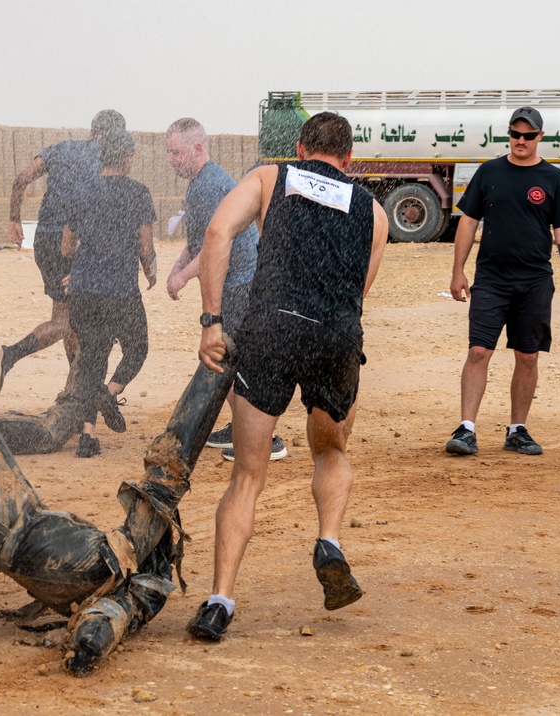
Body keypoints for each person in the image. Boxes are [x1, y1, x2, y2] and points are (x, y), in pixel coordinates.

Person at [0, 344, 238, 673]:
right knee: (143, 530)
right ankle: (100, 626)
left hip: (58, 564)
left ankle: (217, 368)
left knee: (152, 507)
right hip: (60, 557)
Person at [186, 112, 388, 641]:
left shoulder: (270, 177)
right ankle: (329, 540)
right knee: (330, 451)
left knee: (248, 475)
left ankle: (219, 602)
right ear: (349, 160)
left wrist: (211, 320)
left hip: (272, 331)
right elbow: (358, 290)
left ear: (300, 147)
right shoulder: (376, 212)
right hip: (336, 338)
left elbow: (216, 232)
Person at [446, 106, 560, 457]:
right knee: (479, 350)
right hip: (492, 279)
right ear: (508, 135)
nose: (521, 141)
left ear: (540, 137)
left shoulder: (553, 178)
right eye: (515, 134)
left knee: (527, 356)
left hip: (535, 281)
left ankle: (517, 430)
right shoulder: (489, 172)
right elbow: (468, 222)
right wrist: (457, 270)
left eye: (528, 135)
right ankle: (466, 430)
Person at [164, 118, 286, 462]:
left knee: (229, 361)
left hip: (241, 284)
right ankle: (240, 429)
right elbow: (199, 241)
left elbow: (216, 245)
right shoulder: (202, 182)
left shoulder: (206, 186)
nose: (170, 159)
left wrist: (182, 278)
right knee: (227, 360)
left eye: (175, 152)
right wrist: (178, 269)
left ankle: (266, 439)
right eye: (168, 153)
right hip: (238, 282)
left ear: (198, 148)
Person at [0, 109, 126, 400]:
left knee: (69, 316)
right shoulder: (108, 160)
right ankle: (10, 355)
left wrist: (14, 220)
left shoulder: (61, 149)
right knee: (69, 322)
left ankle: (72, 390)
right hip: (73, 242)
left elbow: (20, 180)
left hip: (45, 239)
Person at [62, 129, 157, 457]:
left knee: (91, 357)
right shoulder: (139, 193)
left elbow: (65, 246)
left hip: (83, 290)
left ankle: (87, 437)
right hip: (120, 291)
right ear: (128, 158)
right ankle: (109, 392)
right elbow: (146, 247)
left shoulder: (80, 191)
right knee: (137, 348)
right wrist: (152, 271)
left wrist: (87, 261)